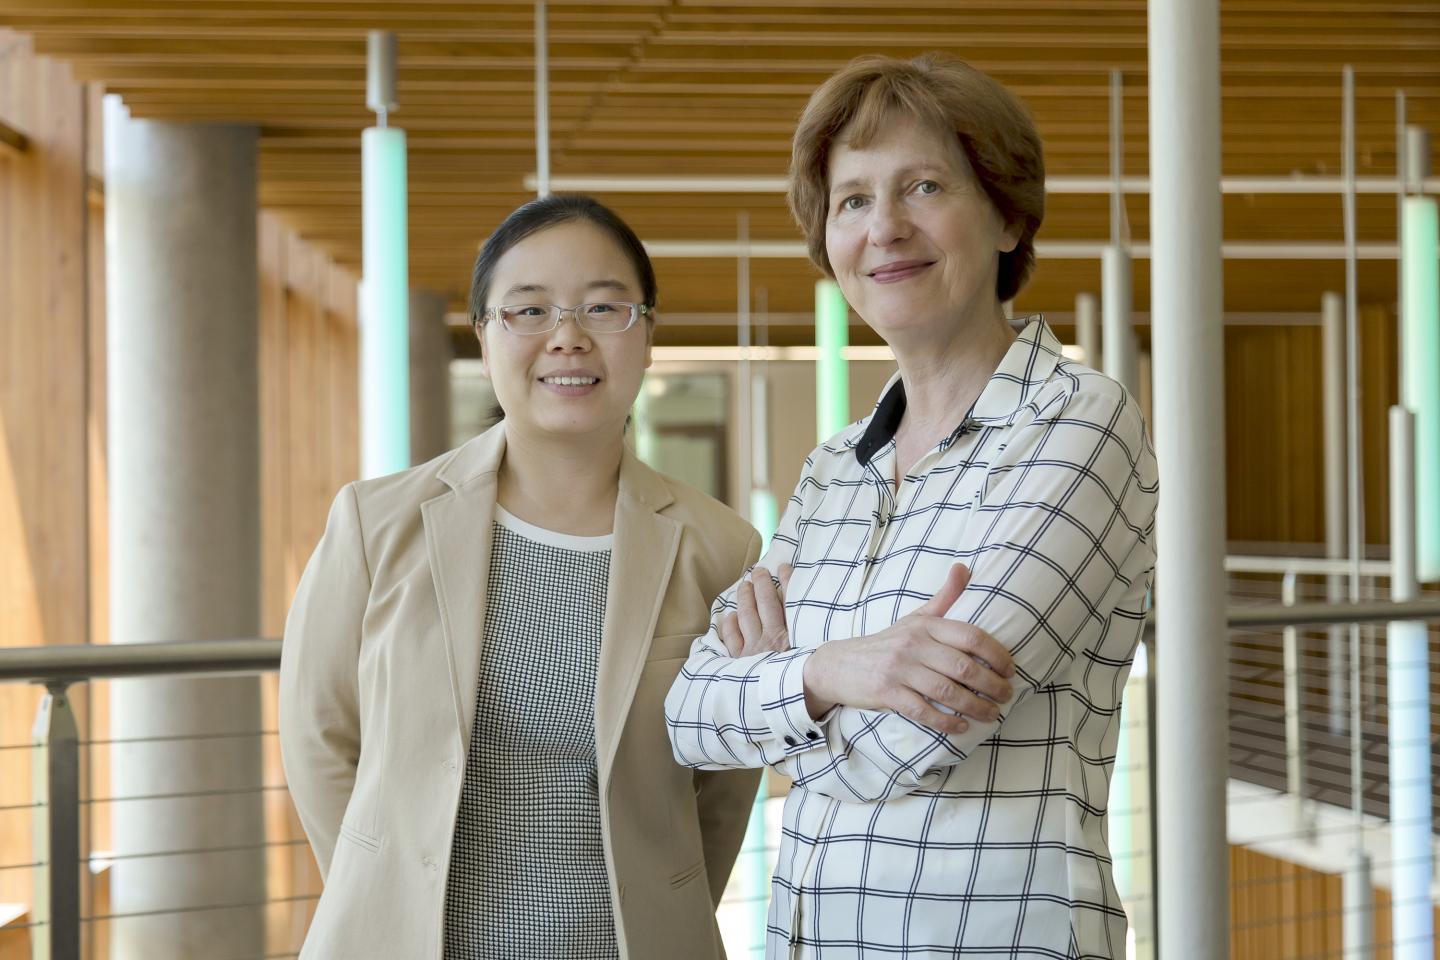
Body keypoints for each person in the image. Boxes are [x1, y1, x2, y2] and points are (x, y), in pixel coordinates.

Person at [665, 53, 1159, 958]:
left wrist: (776, 687)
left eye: (924, 187)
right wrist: (835, 672)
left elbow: (907, 747)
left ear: (1007, 216)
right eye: (853, 200)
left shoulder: (1079, 424)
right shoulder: (833, 467)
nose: (884, 228)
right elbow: (689, 716)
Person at [281, 195, 762, 959]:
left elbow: (726, 782)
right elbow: (319, 737)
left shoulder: (721, 549)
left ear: (647, 334)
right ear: (484, 336)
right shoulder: (376, 524)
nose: (568, 337)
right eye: (530, 310)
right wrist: (382, 904)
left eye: (603, 308)